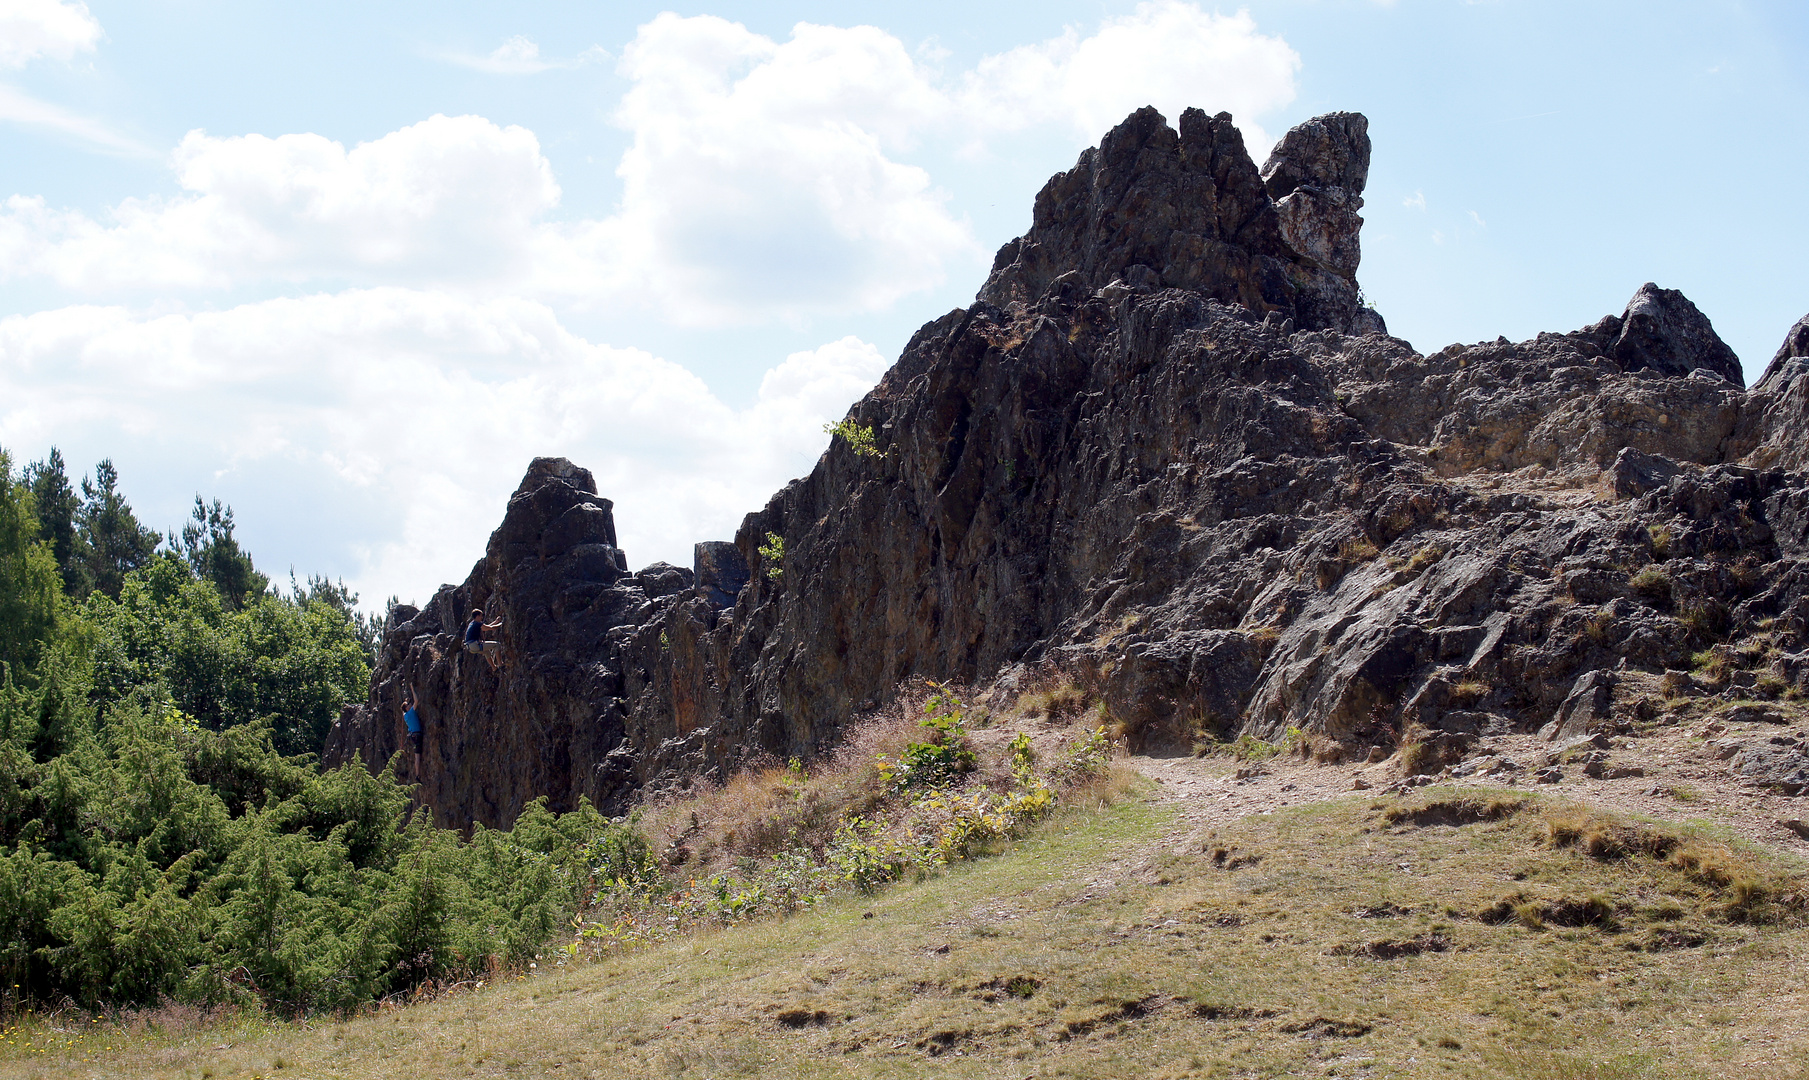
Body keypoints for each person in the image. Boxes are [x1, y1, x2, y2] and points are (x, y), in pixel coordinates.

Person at [401, 682, 424, 775]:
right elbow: (416, 701)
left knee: (417, 756)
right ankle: (418, 774)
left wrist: (405, 701)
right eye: (408, 705)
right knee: (418, 756)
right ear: (406, 708)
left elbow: (402, 710)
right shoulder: (410, 712)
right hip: (418, 735)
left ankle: (417, 774)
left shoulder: (405, 715)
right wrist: (412, 689)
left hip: (412, 736)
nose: (410, 705)